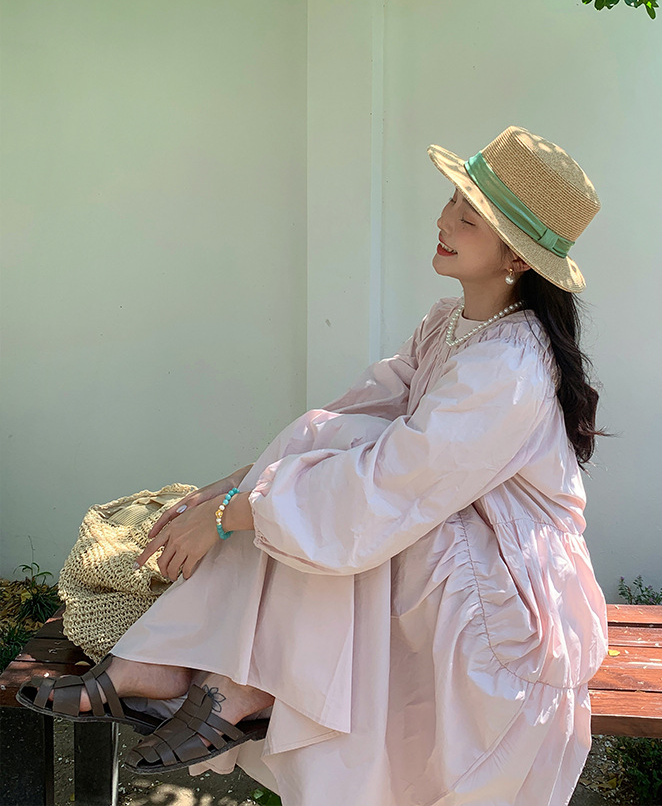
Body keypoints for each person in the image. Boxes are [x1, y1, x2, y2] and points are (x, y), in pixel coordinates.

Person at [18, 126, 609, 806]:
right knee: (331, 455)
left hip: (506, 602)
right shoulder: (450, 323)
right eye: (452, 199)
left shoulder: (508, 368)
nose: (443, 219)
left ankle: (232, 680)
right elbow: (346, 420)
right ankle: (181, 668)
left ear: (518, 258)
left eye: (468, 217)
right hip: (430, 533)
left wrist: (232, 513)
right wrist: (234, 489)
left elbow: (387, 488)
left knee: (351, 509)